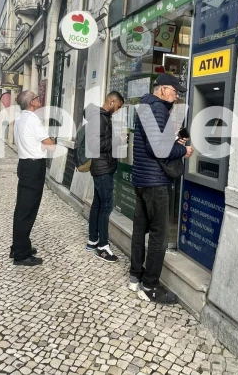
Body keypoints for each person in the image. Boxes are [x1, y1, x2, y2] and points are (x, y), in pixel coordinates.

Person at [129, 74, 193, 304]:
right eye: (175, 91)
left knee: (140, 229)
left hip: (142, 179)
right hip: (155, 181)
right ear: (163, 89)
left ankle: (135, 276)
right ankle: (150, 286)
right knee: (160, 235)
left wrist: (174, 143)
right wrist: (182, 151)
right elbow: (158, 149)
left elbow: (152, 143)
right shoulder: (157, 108)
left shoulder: (145, 105)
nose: (176, 97)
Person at [10, 90, 55, 266]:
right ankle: (22, 255)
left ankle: (18, 246)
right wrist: (47, 145)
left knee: (21, 208)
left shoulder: (20, 119)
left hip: (24, 165)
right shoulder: (33, 119)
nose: (39, 99)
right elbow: (49, 144)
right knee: (27, 211)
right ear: (31, 103)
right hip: (33, 167)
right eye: (36, 97)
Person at [84, 92, 125, 263]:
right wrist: (118, 141)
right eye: (119, 106)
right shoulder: (99, 118)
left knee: (98, 204)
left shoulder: (102, 117)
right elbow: (94, 145)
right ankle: (102, 246)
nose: (119, 110)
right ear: (112, 101)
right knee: (106, 206)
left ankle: (93, 240)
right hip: (102, 169)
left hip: (102, 167)